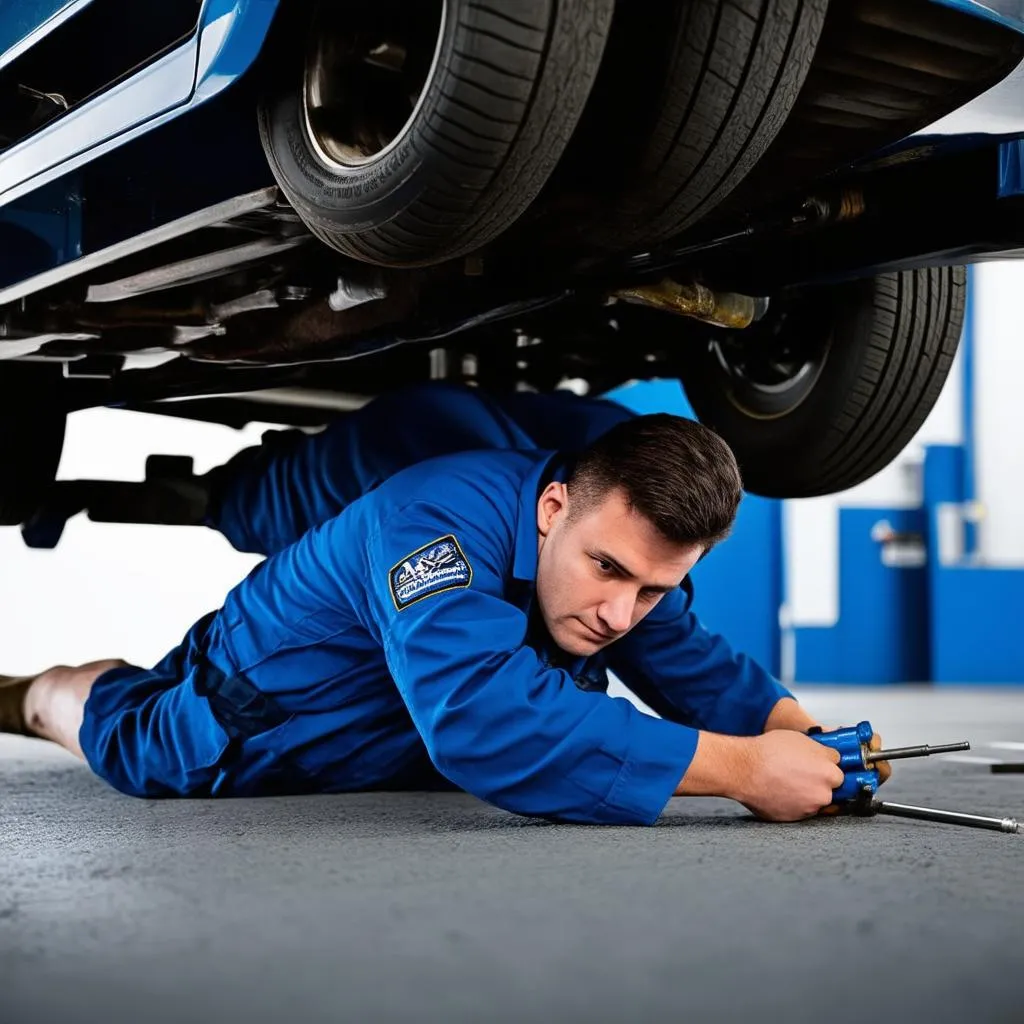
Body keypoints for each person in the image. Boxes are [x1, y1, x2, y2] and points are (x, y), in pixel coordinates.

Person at [0, 383, 889, 825]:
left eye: (651, 587)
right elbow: (481, 719)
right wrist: (742, 771)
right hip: (262, 709)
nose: (621, 614)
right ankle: (26, 693)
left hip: (399, 726)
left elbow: (682, 653)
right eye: (608, 570)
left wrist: (800, 735)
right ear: (551, 510)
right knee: (127, 739)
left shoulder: (608, 536)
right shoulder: (433, 520)